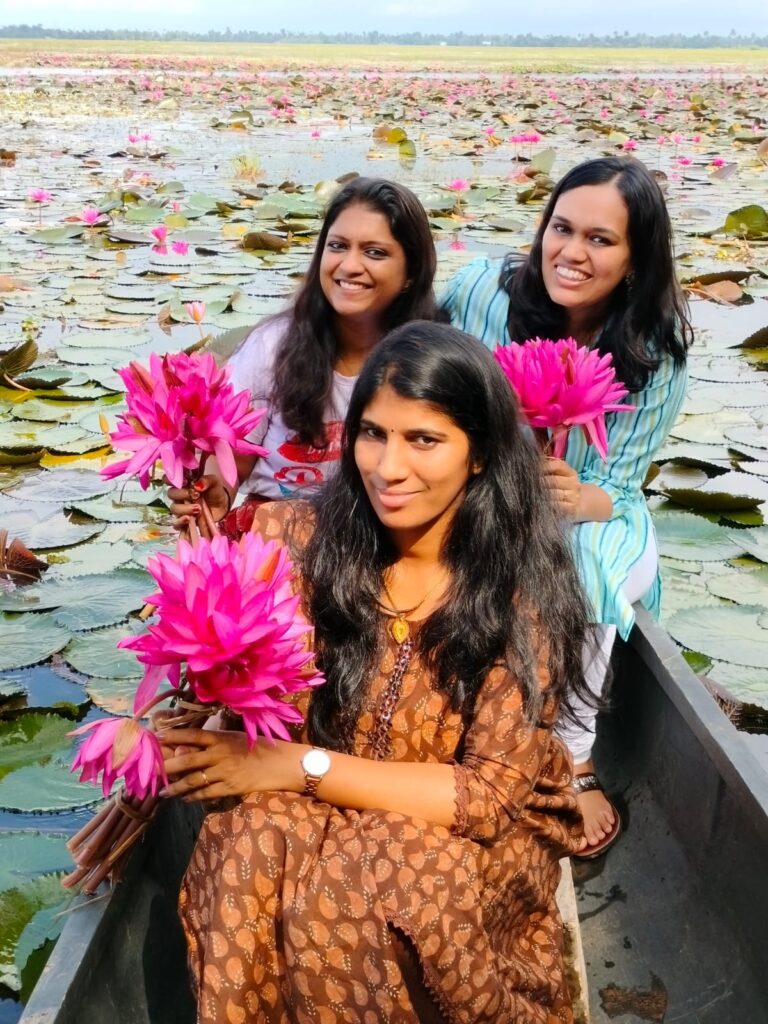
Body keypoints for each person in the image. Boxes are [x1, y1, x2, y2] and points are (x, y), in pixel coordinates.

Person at [161, 322, 594, 1023]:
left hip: (457, 840)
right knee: (240, 841)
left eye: (423, 440)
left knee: (386, 878)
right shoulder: (293, 540)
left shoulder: (521, 589)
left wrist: (294, 766)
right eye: (372, 434)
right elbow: (251, 682)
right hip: (314, 800)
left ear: (479, 453)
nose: (388, 468)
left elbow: (485, 799)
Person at [442, 155, 692, 858]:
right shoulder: (484, 294)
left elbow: (621, 481)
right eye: (561, 228)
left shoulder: (654, 352)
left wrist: (580, 495)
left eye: (600, 240)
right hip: (486, 501)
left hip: (593, 517)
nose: (572, 253)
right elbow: (415, 351)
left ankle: (574, 755)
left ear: (636, 259)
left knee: (578, 561)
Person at [169, 176, 438, 537]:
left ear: (411, 273)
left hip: (382, 538)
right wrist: (214, 493)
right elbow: (235, 457)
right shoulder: (271, 348)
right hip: (274, 540)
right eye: (338, 246)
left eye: (375, 252)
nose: (349, 266)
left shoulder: (433, 361)